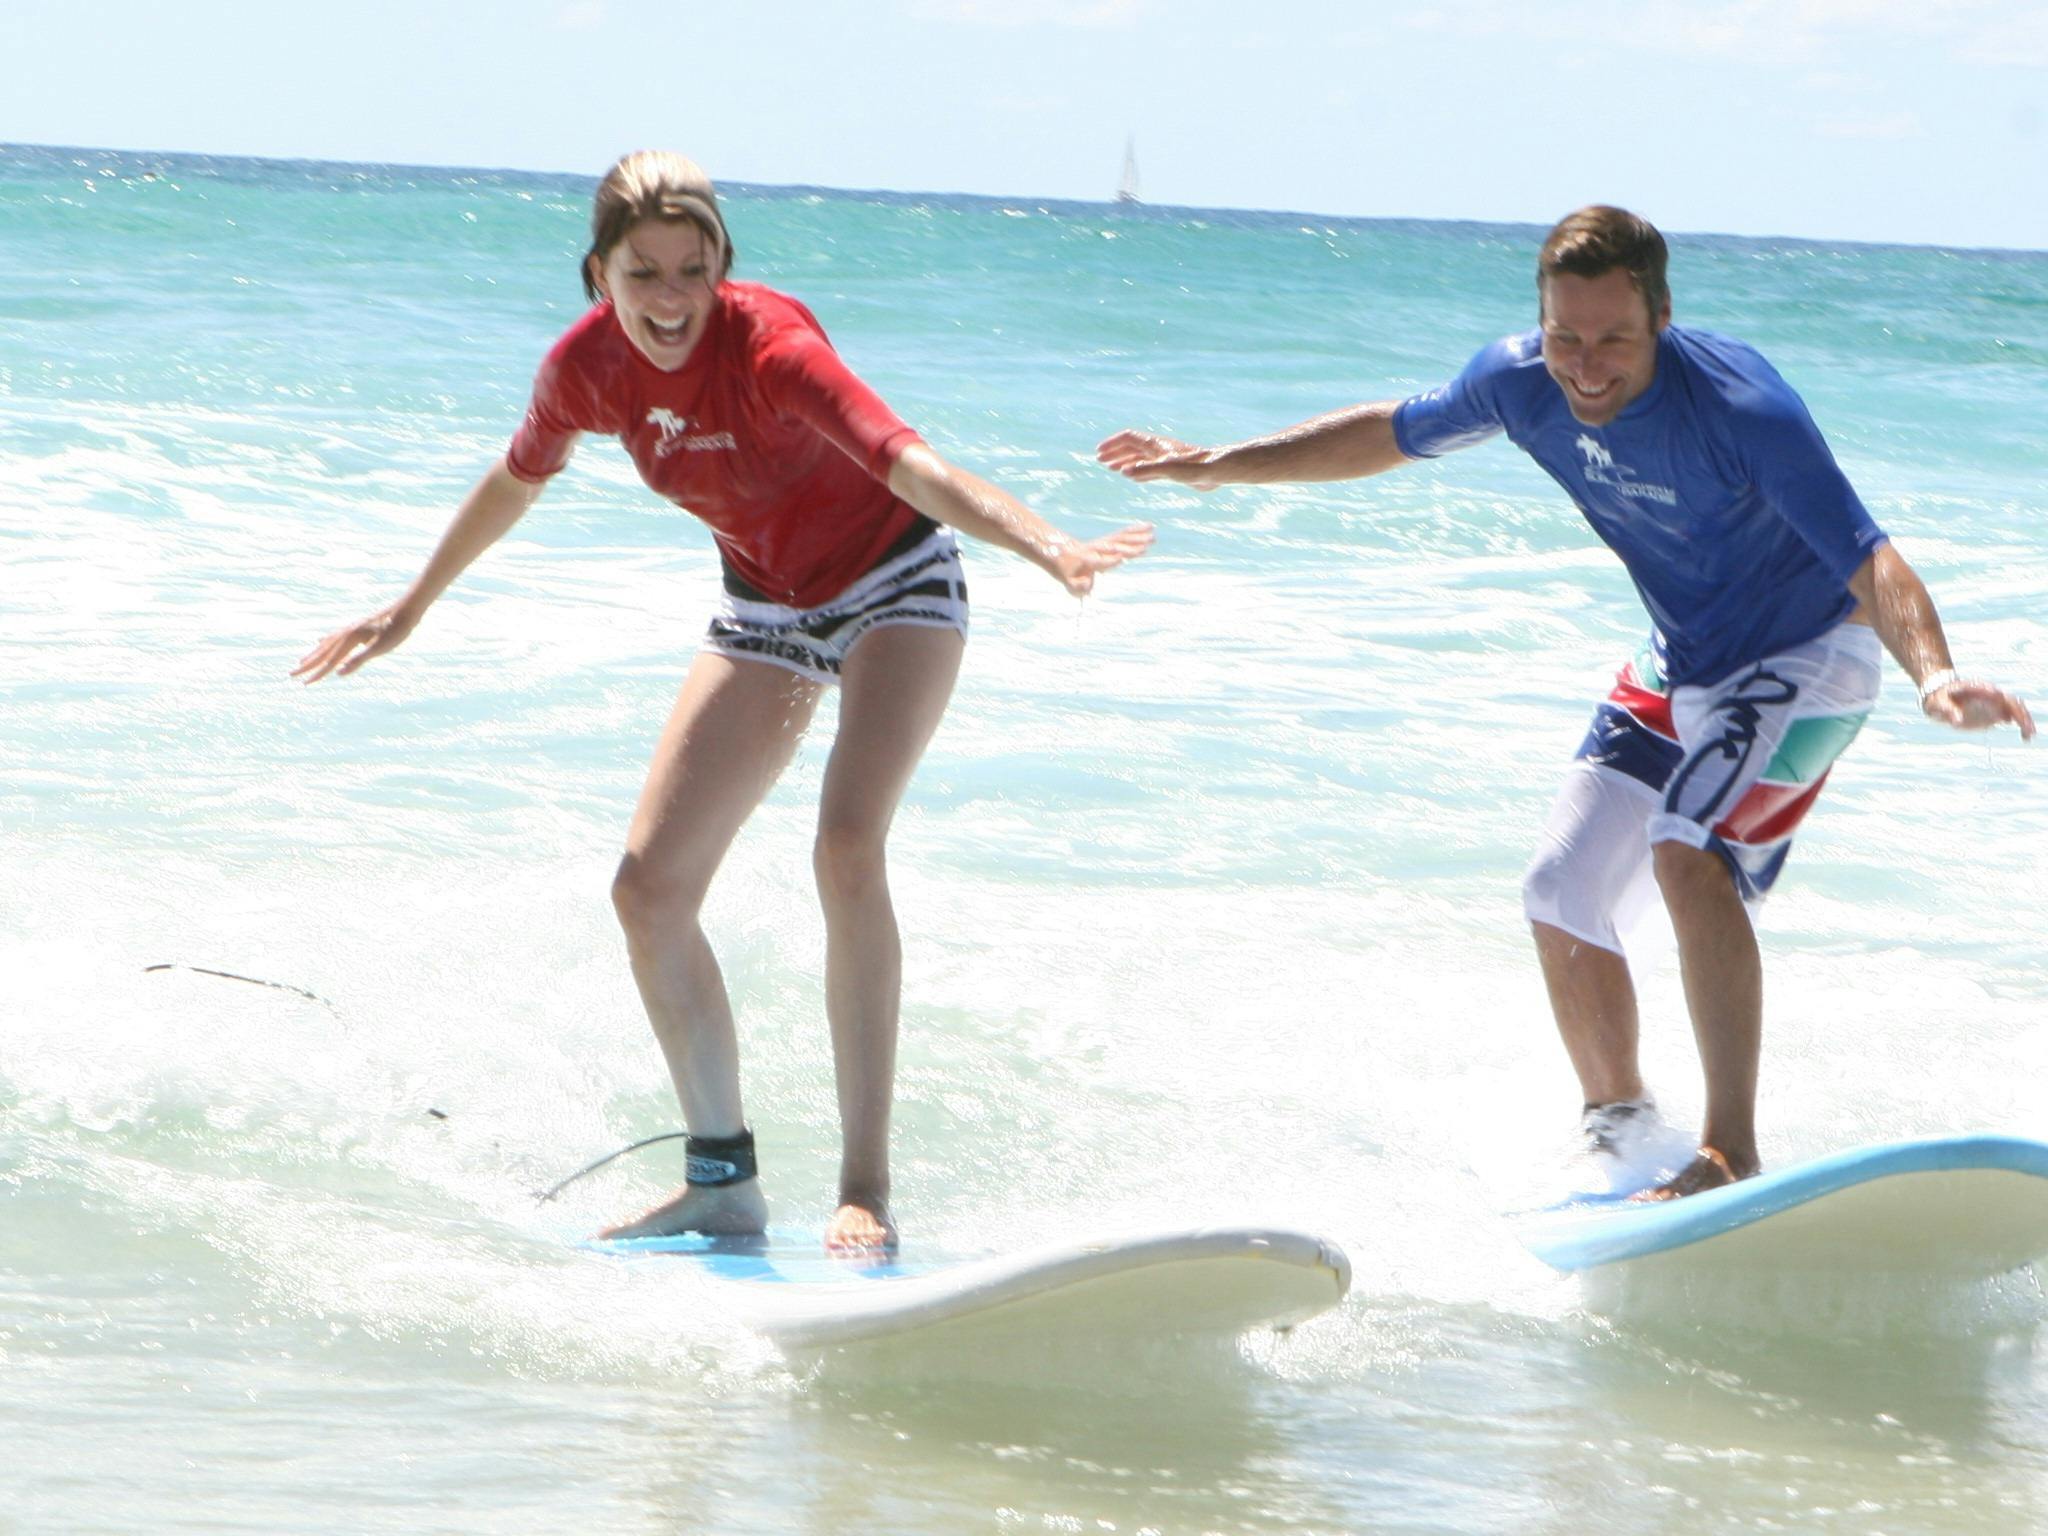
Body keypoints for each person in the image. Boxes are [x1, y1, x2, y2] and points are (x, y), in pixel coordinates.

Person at [298, 151, 1152, 1249]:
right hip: (763, 610)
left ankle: (865, 1190)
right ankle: (722, 1183)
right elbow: (517, 479)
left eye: (691, 271)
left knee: (846, 845)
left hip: (896, 583)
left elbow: (909, 465)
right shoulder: (584, 369)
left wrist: (1047, 544)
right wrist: (412, 605)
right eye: (641, 271)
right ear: (597, 271)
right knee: (648, 890)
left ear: (721, 272)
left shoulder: (771, 350)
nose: (667, 298)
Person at [1098, 204, 2032, 1200]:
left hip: (1809, 654)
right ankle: (1621, 1132)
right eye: (1563, 337)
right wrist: (1218, 464)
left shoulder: (1740, 408)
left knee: (1684, 844)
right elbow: (1387, 432)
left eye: (1612, 341)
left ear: (1661, 319)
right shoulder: (1515, 381)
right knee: (1557, 887)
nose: (1584, 366)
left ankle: (1726, 1151)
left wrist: (1933, 675)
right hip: (1683, 659)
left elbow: (1867, 555)